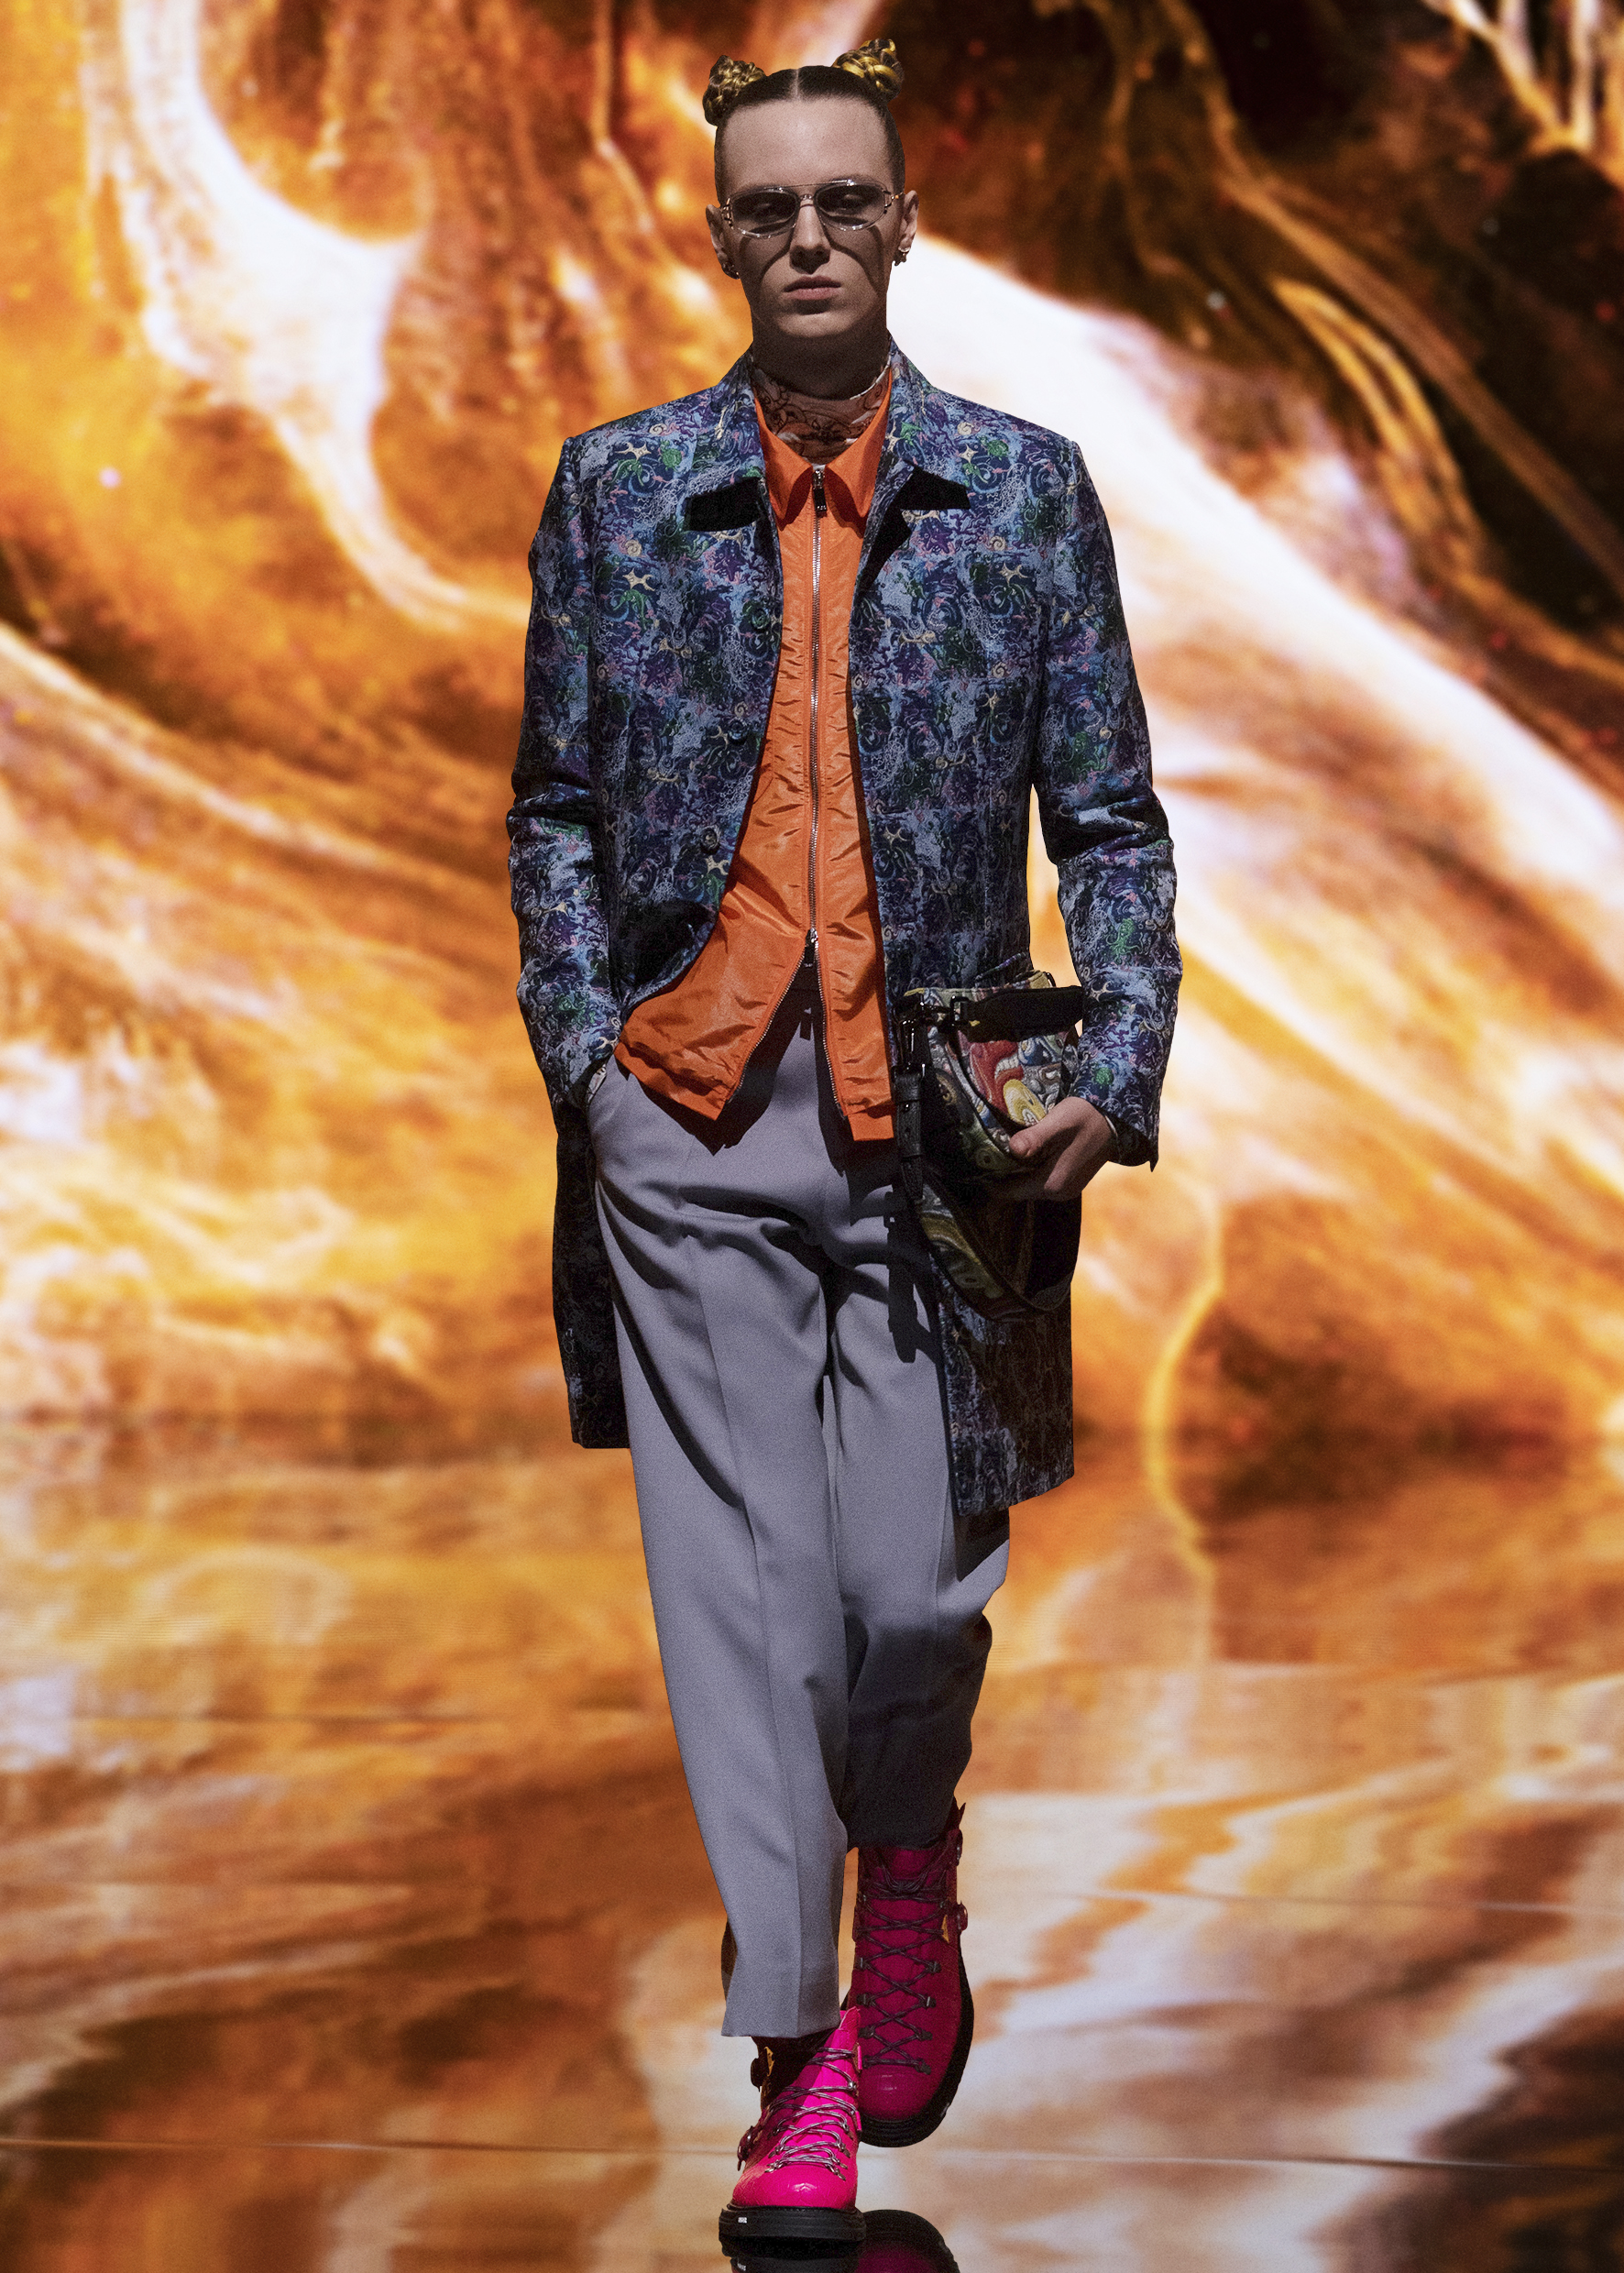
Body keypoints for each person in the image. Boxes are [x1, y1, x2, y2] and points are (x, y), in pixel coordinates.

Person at [508, 37, 1180, 2248]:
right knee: (751, 1608)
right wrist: (590, 1062)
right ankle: (792, 2058)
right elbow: (554, 814)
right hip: (687, 1120)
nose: (805, 236)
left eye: (840, 202)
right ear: (721, 234)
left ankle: (911, 1856)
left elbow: (1108, 823)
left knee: (906, 1593)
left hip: (941, 1138)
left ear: (902, 223)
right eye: (767, 207)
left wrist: (1117, 1064)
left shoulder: (1023, 491)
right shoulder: (617, 491)